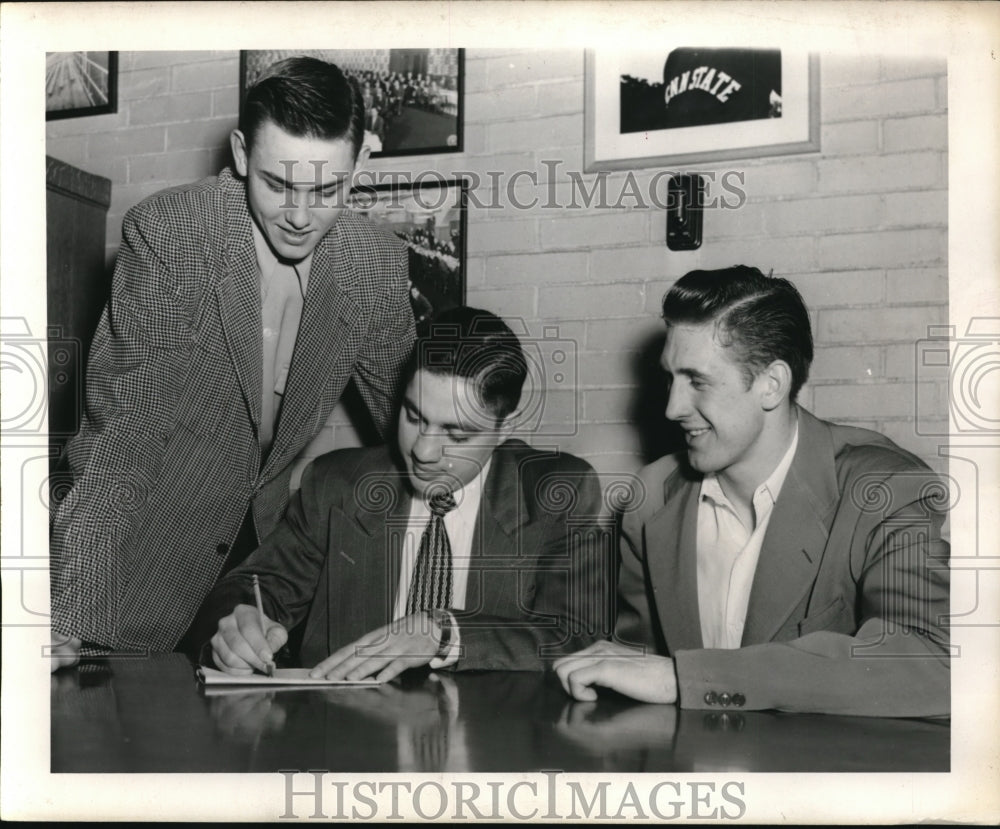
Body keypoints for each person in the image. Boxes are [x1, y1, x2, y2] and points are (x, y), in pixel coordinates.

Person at [49, 57, 416, 668]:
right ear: (243, 155)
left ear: (360, 169)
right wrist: (66, 615)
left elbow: (418, 422)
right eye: (278, 185)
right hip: (141, 548)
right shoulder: (171, 237)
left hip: (257, 566)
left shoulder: (373, 265)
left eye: (326, 190)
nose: (301, 217)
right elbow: (123, 437)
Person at [555, 266, 950, 717]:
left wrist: (691, 679)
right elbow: (636, 673)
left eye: (697, 381)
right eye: (670, 378)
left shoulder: (883, 490)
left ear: (771, 384)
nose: (672, 408)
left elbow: (934, 663)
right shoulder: (650, 498)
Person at [193, 306, 608, 680]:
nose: (423, 451)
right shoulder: (336, 485)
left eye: (456, 433)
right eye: (414, 416)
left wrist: (445, 631)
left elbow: (579, 636)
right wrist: (236, 627)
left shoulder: (557, 494)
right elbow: (252, 588)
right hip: (350, 739)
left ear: (506, 427)